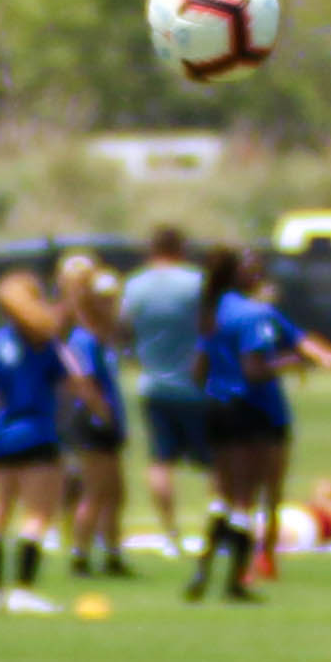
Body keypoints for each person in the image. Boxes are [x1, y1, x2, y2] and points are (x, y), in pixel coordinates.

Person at [189, 248, 331, 602]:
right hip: (250, 410)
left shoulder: (213, 312)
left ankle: (202, 572)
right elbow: (255, 369)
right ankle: (233, 582)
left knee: (222, 497)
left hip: (217, 408)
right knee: (245, 498)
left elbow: (198, 369)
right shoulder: (254, 315)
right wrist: (292, 361)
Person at [0, 270, 72, 615]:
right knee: (37, 516)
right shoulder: (46, 346)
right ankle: (24, 589)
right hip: (37, 433)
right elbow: (66, 387)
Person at [121, 228, 209, 555]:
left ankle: (171, 533)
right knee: (215, 463)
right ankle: (217, 528)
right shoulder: (196, 282)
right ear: (181, 247)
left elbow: (124, 328)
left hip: (154, 383)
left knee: (161, 460)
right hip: (197, 385)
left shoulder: (135, 285)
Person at [55, 255, 131, 576]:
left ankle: (112, 553)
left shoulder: (101, 338)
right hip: (93, 420)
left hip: (106, 419)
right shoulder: (82, 340)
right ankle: (80, 554)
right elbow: (83, 383)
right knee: (95, 492)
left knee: (115, 491)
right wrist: (104, 413)